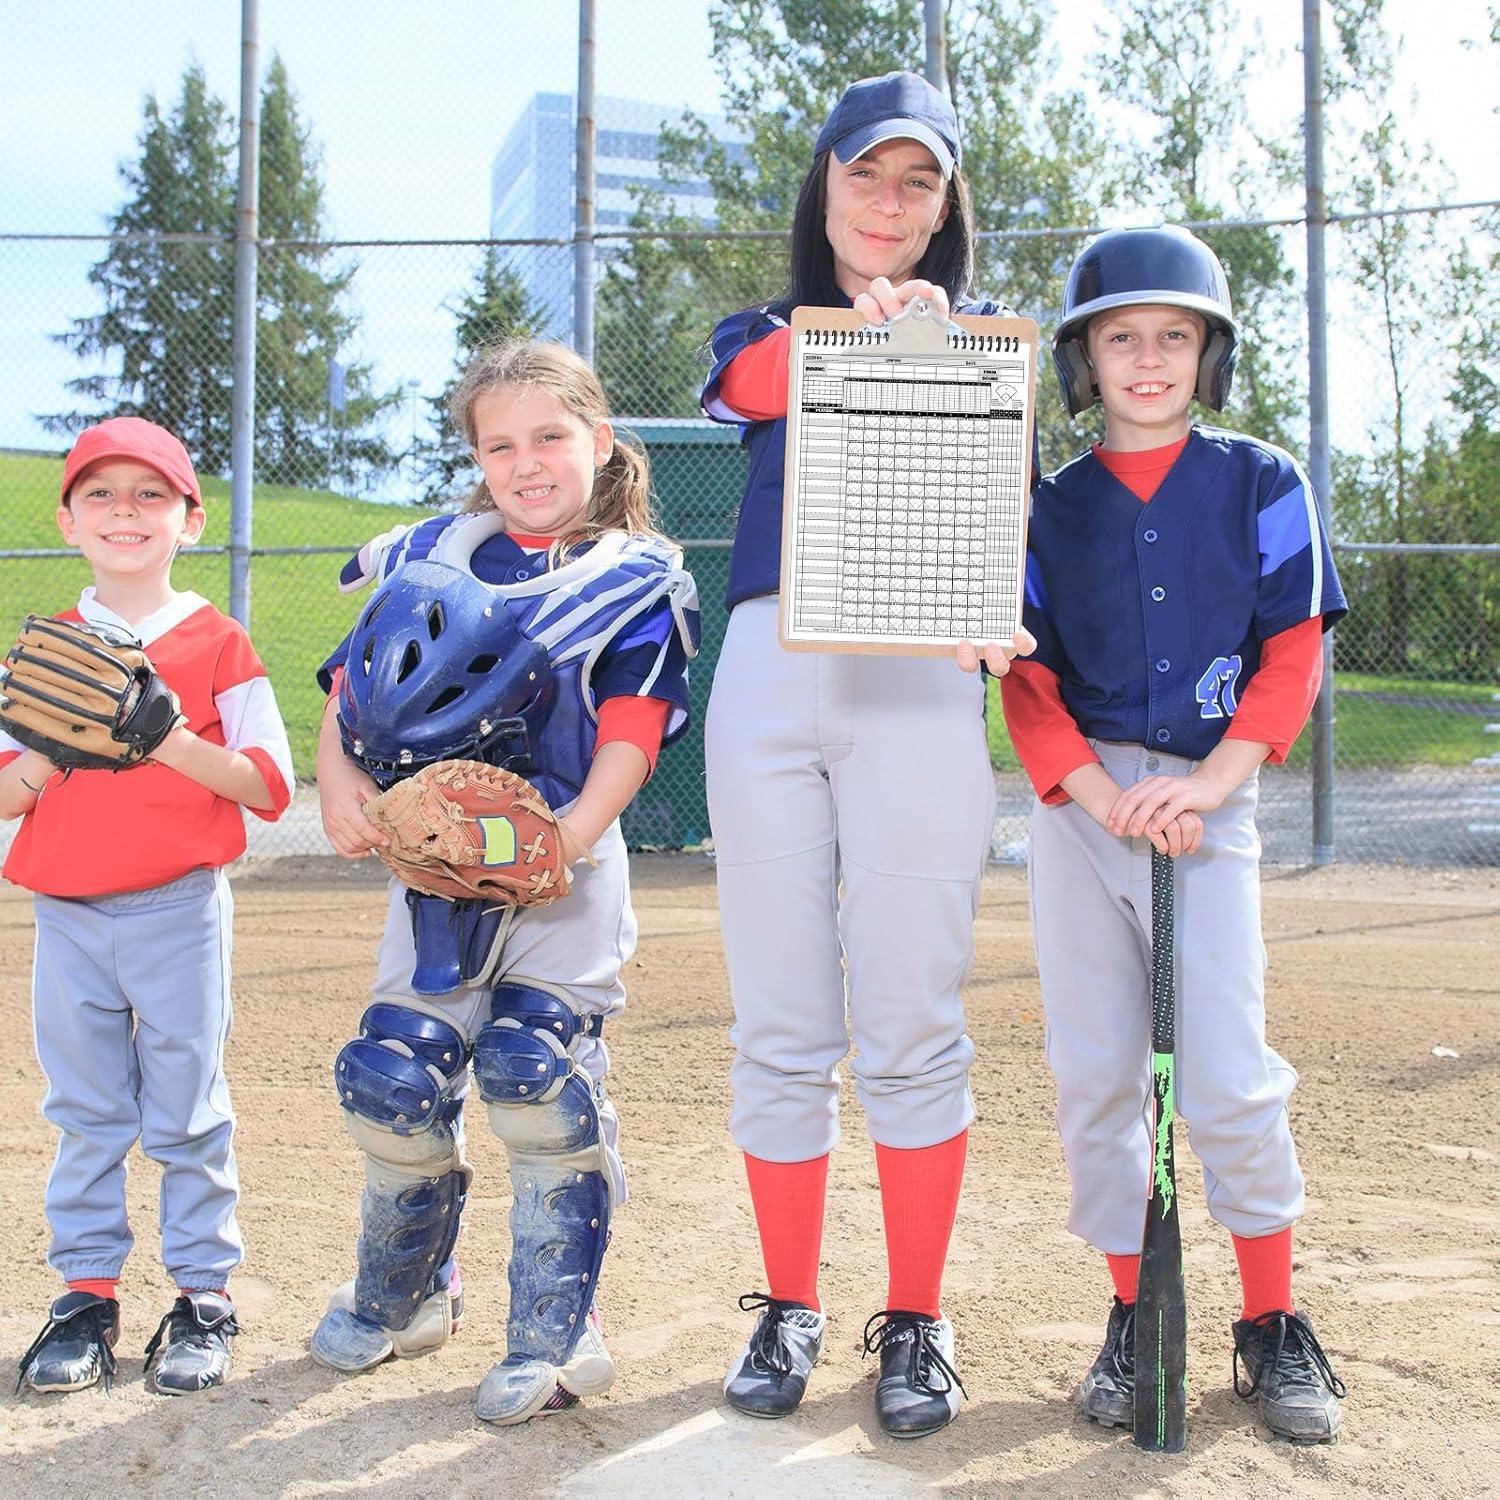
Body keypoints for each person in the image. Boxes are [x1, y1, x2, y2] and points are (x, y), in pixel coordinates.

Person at [700, 71, 1033, 1440]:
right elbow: (757, 378)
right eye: (865, 175)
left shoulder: (982, 348)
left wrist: (945, 347)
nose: (888, 203)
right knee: (782, 1019)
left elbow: (1004, 522)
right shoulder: (765, 329)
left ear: (947, 205)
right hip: (772, 671)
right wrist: (885, 336)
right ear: (823, 185)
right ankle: (787, 1301)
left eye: (918, 183)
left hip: (915, 681)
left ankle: (915, 1313)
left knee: (910, 1018)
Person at [1000, 225, 1350, 1443]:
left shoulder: (1261, 480)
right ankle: (1136, 1313)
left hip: (1212, 798)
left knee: (1226, 1071)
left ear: (1210, 355)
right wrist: (1100, 798)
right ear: (1082, 361)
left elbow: (1292, 653)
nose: (1147, 358)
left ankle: (1269, 1321)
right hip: (1082, 804)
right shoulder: (1043, 505)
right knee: (1098, 1071)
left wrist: (1211, 783)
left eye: (1175, 336)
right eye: (1119, 337)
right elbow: (1027, 681)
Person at [309, 340, 699, 1427]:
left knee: (536, 1073)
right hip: (427, 871)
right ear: (476, 456)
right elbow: (348, 694)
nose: (526, 462)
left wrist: (566, 837)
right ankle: (406, 1297)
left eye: (550, 437)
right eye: (500, 444)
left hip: (561, 873)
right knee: (393, 1074)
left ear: (600, 440)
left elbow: (630, 733)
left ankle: (557, 1333)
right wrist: (340, 789)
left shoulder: (632, 576)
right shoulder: (431, 555)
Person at [1, 417, 294, 1396]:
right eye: (101, 494)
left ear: (190, 519)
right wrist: (50, 750)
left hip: (179, 906)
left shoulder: (218, 642)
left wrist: (163, 737)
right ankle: (86, 1297)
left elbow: (266, 784)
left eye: (150, 494)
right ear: (69, 520)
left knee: (188, 1111)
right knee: (87, 1112)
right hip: (70, 915)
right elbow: (7, 789)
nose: (125, 511)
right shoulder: (49, 647)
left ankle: (203, 1296)